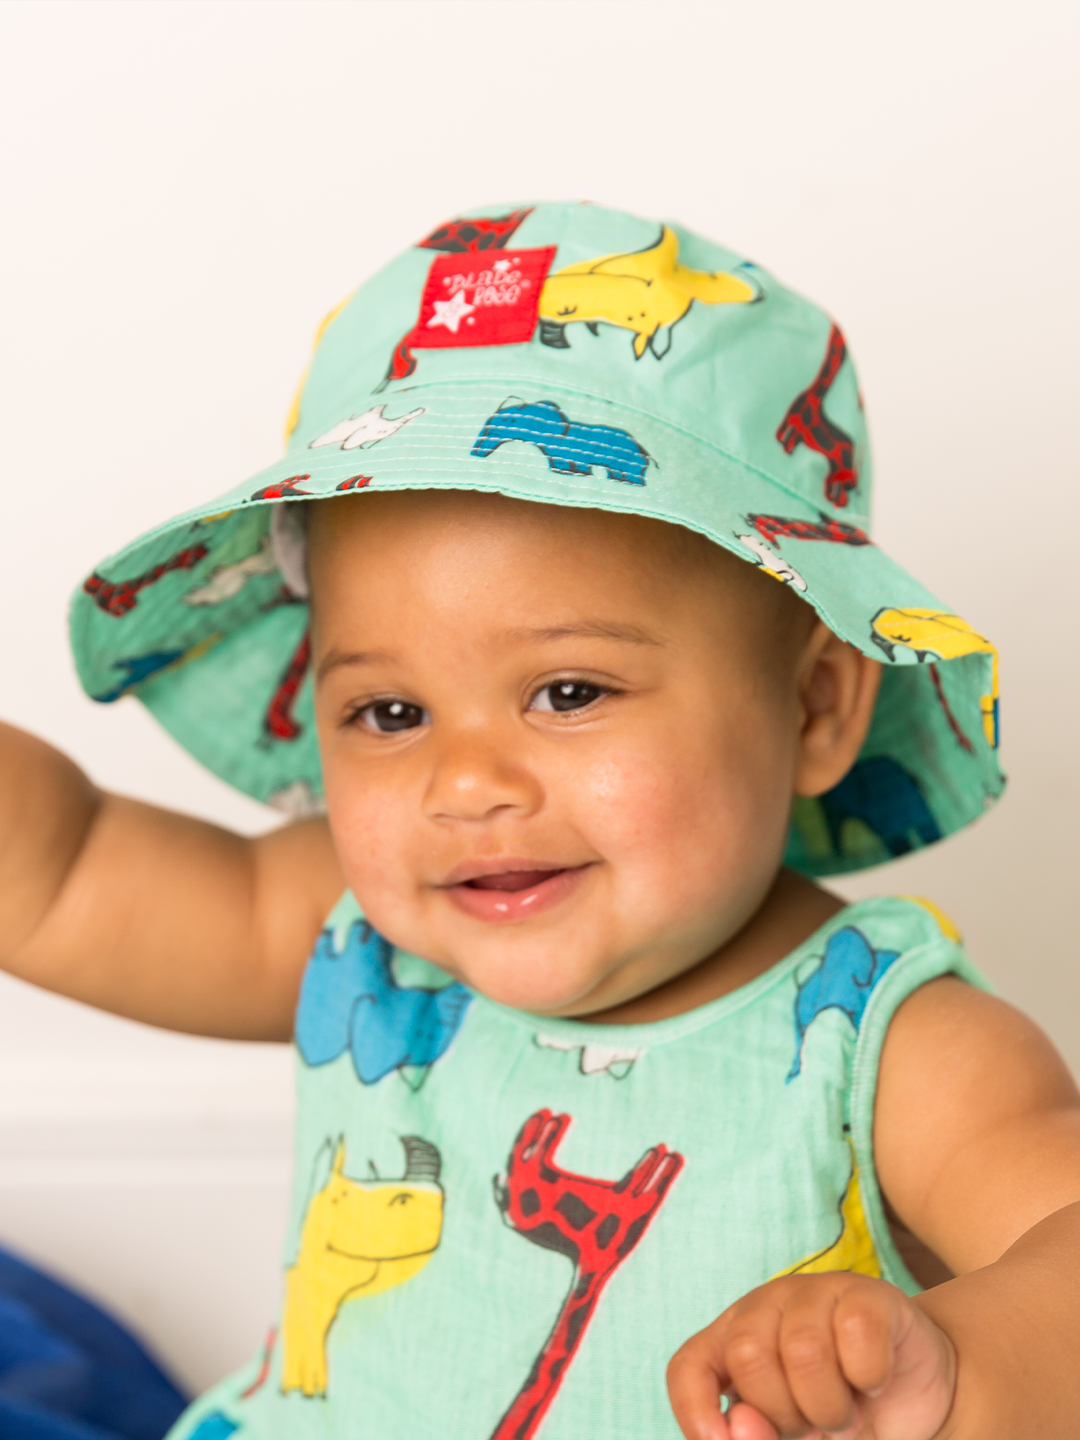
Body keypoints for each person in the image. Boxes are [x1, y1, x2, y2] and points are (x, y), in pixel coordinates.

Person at [2, 201, 1077, 1440]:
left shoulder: (889, 1045)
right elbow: (65, 872)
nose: (465, 784)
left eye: (569, 693)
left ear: (815, 705)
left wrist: (941, 1359)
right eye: (391, 711)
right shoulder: (358, 934)